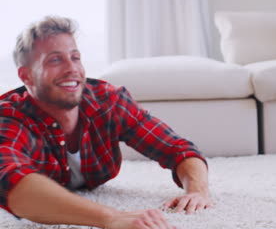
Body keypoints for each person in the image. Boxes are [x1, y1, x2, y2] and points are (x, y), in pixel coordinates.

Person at [0, 16, 213, 229]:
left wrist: (197, 190)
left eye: (75, 57)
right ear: (26, 76)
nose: (71, 68)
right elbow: (11, 183)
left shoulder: (109, 102)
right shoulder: (10, 117)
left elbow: (177, 148)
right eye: (55, 60)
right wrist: (111, 217)